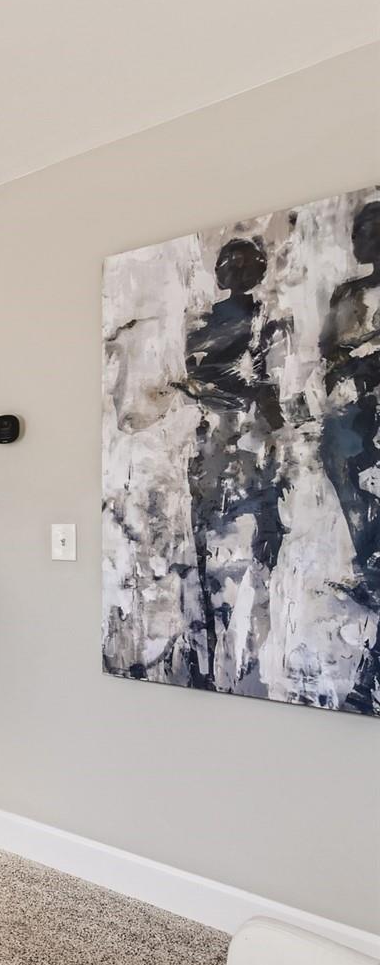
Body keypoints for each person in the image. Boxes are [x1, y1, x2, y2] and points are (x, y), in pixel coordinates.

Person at [176, 237, 288, 692]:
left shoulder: (270, 322)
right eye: (229, 264)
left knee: (260, 546)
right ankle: (207, 648)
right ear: (218, 272)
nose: (236, 272)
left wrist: (216, 390)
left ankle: (254, 654)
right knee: (205, 546)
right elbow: (196, 379)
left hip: (253, 447)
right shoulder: (201, 324)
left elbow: (268, 393)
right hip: (210, 447)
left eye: (246, 266)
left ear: (258, 272)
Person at [319, 200, 380, 714]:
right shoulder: (346, 294)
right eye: (358, 230)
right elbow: (327, 352)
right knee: (367, 542)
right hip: (346, 429)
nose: (359, 238)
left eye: (369, 230)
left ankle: (367, 679)